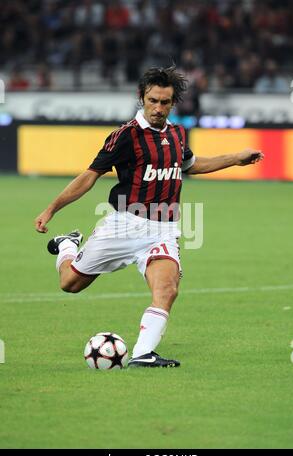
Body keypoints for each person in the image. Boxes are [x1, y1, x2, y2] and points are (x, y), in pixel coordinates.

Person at [35, 66, 264, 368]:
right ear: (141, 97)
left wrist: (235, 158)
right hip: (125, 225)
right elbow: (90, 176)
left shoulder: (177, 134)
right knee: (70, 284)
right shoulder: (126, 136)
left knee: (167, 288)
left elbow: (192, 165)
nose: (158, 108)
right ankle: (67, 245)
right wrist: (52, 208)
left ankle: (142, 353)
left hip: (165, 227)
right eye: (153, 100)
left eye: (165, 102)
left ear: (173, 103)